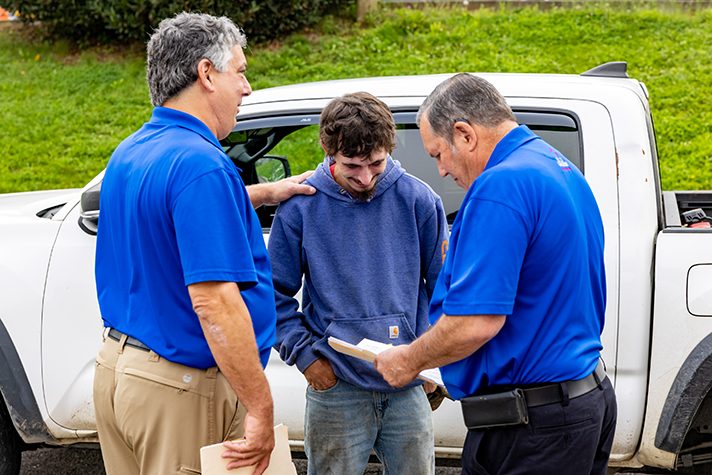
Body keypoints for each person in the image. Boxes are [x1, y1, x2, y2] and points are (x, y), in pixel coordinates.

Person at [93, 12, 314, 475]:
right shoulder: (201, 166)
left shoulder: (132, 151)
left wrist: (264, 192)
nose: (247, 87)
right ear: (206, 73)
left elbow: (172, 216)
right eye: (241, 70)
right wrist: (260, 407)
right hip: (182, 388)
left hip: (121, 373)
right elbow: (214, 302)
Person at [374, 73, 617, 475]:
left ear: (464, 134)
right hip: (582, 402)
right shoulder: (559, 167)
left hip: (532, 426)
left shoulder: (499, 186)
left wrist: (408, 360)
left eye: (437, 154)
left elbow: (475, 322)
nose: (441, 171)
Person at [268, 92, 448, 475]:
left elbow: (445, 293)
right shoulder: (300, 208)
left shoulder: (419, 200)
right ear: (328, 149)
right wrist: (305, 359)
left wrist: (434, 367)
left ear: (389, 148)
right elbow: (273, 295)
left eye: (376, 164)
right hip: (335, 387)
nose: (365, 178)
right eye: (352, 166)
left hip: (407, 384)